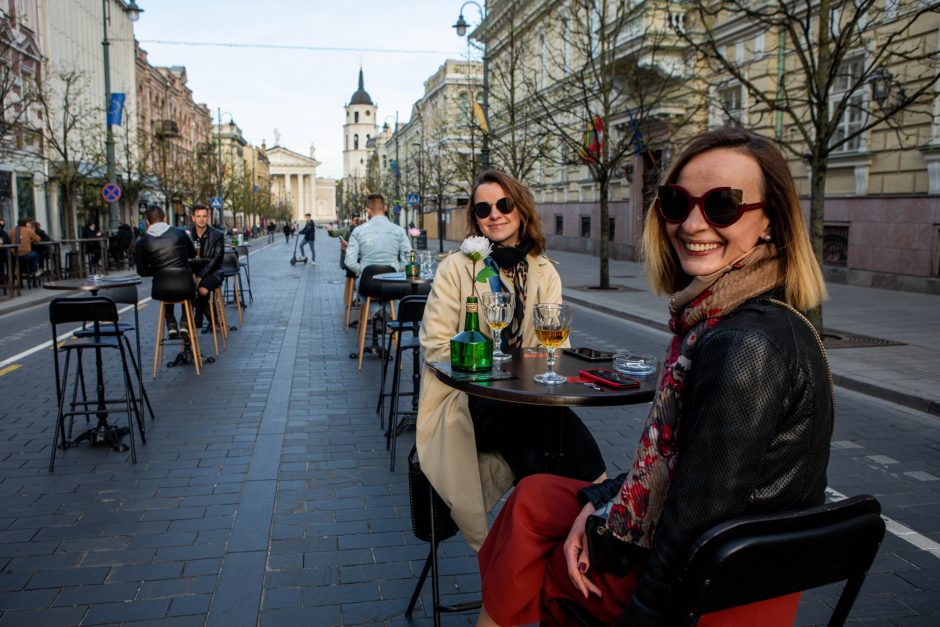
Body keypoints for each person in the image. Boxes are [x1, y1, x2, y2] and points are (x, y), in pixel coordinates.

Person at [475, 128, 833, 627]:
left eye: (722, 206)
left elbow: (694, 526)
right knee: (534, 496)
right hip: (727, 556)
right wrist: (600, 502)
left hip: (719, 590)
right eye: (675, 202)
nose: (692, 224)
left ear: (770, 220)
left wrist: (614, 564)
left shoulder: (744, 344)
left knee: (548, 565)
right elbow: (692, 471)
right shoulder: (728, 317)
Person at [416, 170, 607, 553]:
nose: (495, 214)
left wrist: (524, 373)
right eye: (483, 208)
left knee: (544, 429)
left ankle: (558, 537)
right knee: (543, 423)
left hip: (525, 400)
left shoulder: (543, 270)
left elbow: (556, 345)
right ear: (475, 218)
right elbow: (435, 345)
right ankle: (598, 515)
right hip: (467, 397)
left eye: (504, 204)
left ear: (520, 209)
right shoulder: (459, 267)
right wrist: (492, 366)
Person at [345, 194, 411, 354]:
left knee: (367, 290)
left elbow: (349, 261)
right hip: (392, 284)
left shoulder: (359, 231)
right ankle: (384, 314)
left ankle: (377, 314)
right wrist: (397, 269)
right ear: (386, 208)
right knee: (389, 291)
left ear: (368, 210)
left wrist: (363, 271)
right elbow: (409, 258)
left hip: (369, 284)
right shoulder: (398, 230)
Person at [135, 206, 196, 341]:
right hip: (185, 286)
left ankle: (171, 323)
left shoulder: (142, 243)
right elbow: (192, 254)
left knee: (166, 286)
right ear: (165, 218)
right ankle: (185, 322)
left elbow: (142, 271)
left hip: (160, 289)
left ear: (147, 222)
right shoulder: (180, 234)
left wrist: (158, 271)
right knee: (190, 285)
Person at [186, 205, 225, 333]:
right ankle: (213, 320)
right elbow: (183, 257)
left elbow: (217, 259)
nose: (201, 219)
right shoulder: (186, 235)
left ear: (207, 218)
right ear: (193, 218)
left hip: (213, 272)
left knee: (202, 289)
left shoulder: (217, 235)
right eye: (198, 216)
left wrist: (201, 275)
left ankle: (198, 317)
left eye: (204, 216)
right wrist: (192, 274)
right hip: (193, 273)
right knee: (186, 289)